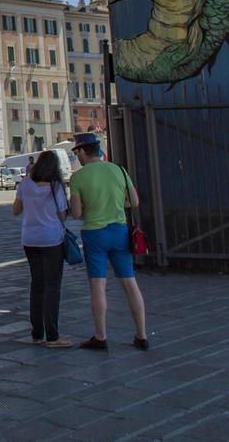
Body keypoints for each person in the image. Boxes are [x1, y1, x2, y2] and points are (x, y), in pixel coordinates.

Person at [68, 133, 148, 351]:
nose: (78, 157)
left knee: (98, 285)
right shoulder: (119, 170)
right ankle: (141, 335)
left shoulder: (78, 177)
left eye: (77, 153)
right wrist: (116, 205)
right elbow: (135, 201)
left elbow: (75, 214)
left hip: (95, 234)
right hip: (119, 231)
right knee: (129, 283)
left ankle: (100, 336)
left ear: (83, 151)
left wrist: (88, 205)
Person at [13, 149, 72, 348]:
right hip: (51, 239)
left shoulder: (24, 184)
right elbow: (63, 216)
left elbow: (16, 210)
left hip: (29, 239)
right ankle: (53, 336)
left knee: (36, 285)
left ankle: (37, 333)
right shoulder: (56, 186)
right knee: (52, 286)